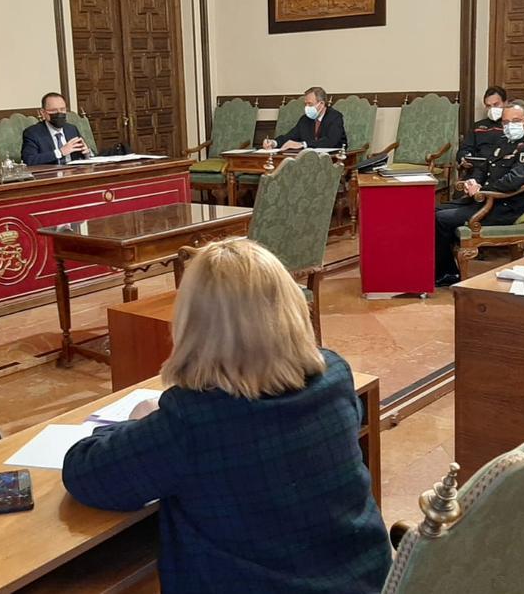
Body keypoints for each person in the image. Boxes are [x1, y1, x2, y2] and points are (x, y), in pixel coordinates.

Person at [63, 239, 391, 593]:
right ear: (291, 308)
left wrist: (141, 421)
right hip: (367, 583)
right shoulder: (336, 376)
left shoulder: (192, 420)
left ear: (193, 325)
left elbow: (86, 473)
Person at [434, 101, 524, 287]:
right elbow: (483, 167)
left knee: (441, 219)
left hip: (504, 207)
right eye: (505, 122)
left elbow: (513, 181)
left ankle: (446, 273)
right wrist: (474, 180)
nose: (510, 126)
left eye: (516, 121)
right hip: (484, 200)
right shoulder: (503, 141)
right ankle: (442, 270)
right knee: (432, 211)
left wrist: (482, 190)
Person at [262, 86, 348, 151]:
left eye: (310, 104)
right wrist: (273, 143)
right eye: (305, 104)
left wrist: (303, 144)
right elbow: (290, 136)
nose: (307, 107)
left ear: (321, 104)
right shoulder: (305, 119)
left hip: (333, 159)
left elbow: (330, 141)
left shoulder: (335, 117)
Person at [20, 92, 91, 165]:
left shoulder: (71, 129)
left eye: (62, 109)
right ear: (43, 112)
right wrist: (60, 152)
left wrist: (87, 153)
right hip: (50, 174)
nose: (59, 113)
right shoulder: (33, 133)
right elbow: (29, 160)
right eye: (54, 110)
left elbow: (85, 154)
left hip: (74, 173)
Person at [455, 86, 508, 177]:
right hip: (478, 170)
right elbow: (464, 149)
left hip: (503, 170)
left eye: (496, 104)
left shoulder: (515, 125)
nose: (492, 109)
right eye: (488, 106)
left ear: (505, 103)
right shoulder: (477, 126)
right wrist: (464, 158)